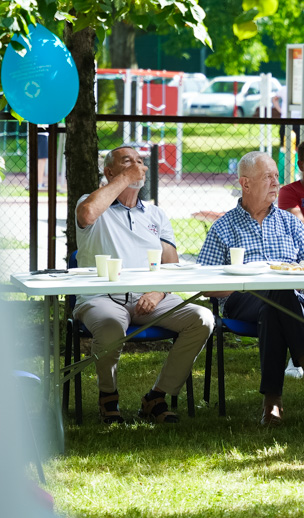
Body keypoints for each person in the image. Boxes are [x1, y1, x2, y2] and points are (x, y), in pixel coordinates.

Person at [197, 151, 304, 427]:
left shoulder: (290, 223)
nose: (276, 183)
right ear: (245, 184)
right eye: (268, 177)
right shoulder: (223, 227)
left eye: (277, 176)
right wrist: (240, 282)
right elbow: (204, 284)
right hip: (241, 300)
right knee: (276, 291)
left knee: (275, 301)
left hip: (289, 302)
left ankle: (272, 402)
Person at [74, 146, 214, 424]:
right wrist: (124, 179)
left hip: (150, 298)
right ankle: (108, 397)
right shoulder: (91, 202)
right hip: (102, 296)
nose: (136, 165)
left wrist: (158, 291)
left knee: (202, 318)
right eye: (127, 162)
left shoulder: (155, 215)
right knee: (112, 326)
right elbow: (87, 214)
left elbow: (171, 266)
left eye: (139, 161)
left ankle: (156, 397)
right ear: (109, 171)